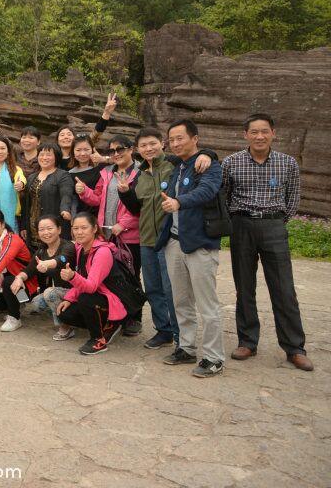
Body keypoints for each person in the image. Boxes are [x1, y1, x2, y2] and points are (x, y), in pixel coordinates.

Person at [222, 113, 312, 371]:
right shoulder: (231, 162)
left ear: (273, 133)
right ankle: (247, 341)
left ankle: (294, 348)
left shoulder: (288, 163)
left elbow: (293, 199)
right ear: (245, 135)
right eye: (254, 132)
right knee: (244, 287)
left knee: (284, 289)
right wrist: (237, 221)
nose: (259, 136)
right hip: (241, 226)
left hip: (274, 226)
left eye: (264, 131)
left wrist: (276, 221)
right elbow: (224, 196)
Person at [117, 128, 211, 349]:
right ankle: (164, 330)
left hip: (170, 238)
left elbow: (196, 155)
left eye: (152, 143)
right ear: (137, 149)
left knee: (173, 290)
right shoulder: (140, 173)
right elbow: (136, 209)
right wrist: (125, 192)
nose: (148, 148)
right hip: (147, 238)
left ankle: (181, 336)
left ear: (162, 143)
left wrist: (209, 153)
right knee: (153, 288)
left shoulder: (173, 164)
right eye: (143, 145)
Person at [155, 119, 226, 378]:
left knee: (207, 304)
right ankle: (186, 347)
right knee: (181, 300)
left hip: (199, 244)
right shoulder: (179, 164)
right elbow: (149, 154)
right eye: (171, 139)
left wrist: (179, 202)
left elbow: (207, 191)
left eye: (180, 138)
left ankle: (214, 357)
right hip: (174, 242)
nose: (175, 143)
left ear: (195, 138)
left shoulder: (209, 166)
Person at [75, 134, 142, 335]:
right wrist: (83, 191)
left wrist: (124, 224)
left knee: (131, 277)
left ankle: (134, 318)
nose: (116, 154)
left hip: (128, 236)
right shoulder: (106, 172)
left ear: (131, 149)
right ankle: (118, 315)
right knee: (112, 277)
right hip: (106, 233)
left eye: (120, 149)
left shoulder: (140, 173)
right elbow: (97, 199)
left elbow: (142, 206)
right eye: (112, 151)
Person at [57, 212, 127, 355]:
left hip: (112, 299)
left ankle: (99, 338)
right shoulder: (80, 248)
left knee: (85, 298)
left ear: (94, 228)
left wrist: (72, 276)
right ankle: (104, 324)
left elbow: (91, 286)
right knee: (64, 314)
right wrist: (69, 298)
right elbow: (83, 278)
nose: (79, 232)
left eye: (84, 228)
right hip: (98, 296)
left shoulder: (102, 252)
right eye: (75, 228)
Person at [25, 215, 78, 340]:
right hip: (59, 292)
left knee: (49, 293)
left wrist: (46, 264)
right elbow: (29, 269)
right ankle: (64, 315)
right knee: (36, 304)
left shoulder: (69, 246)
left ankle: (66, 326)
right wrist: (19, 279)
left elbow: (61, 259)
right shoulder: (42, 251)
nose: (46, 232)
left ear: (59, 229)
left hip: (75, 292)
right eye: (41, 229)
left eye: (49, 228)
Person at [20, 143, 75, 248]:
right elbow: (26, 204)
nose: (44, 158)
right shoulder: (31, 177)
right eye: (41, 154)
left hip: (51, 227)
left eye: (48, 155)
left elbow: (66, 194)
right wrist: (24, 226)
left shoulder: (63, 175)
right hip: (32, 228)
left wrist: (65, 209)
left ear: (56, 157)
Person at [69, 135, 102, 214]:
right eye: (78, 150)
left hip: (101, 214)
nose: (83, 153)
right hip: (81, 216)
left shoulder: (102, 168)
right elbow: (73, 200)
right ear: (73, 152)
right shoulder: (70, 174)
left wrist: (104, 159)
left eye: (86, 149)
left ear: (92, 150)